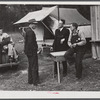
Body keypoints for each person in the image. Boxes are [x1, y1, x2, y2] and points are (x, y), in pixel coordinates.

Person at [22, 20, 39, 86]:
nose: (36, 26)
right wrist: (36, 49)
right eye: (35, 24)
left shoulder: (26, 30)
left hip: (28, 52)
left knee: (30, 66)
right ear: (31, 24)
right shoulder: (31, 32)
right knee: (34, 66)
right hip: (32, 52)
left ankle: (30, 80)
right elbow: (30, 43)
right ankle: (35, 82)